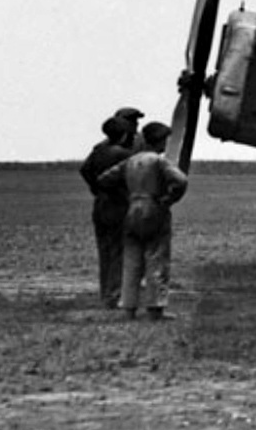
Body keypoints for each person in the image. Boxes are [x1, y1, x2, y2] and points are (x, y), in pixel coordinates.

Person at [98, 121, 188, 320]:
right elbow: (181, 180)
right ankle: (155, 308)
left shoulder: (130, 161)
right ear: (159, 140)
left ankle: (128, 308)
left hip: (131, 210)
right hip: (154, 209)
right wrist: (169, 199)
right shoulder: (158, 161)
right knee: (156, 258)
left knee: (131, 261)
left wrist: (127, 195)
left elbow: (104, 179)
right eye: (165, 139)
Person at [79, 117, 134, 308]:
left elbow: (84, 169)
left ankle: (105, 293)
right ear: (125, 134)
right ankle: (114, 295)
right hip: (118, 205)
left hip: (100, 204)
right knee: (119, 251)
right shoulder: (125, 154)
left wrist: (95, 188)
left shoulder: (98, 151)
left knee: (104, 251)